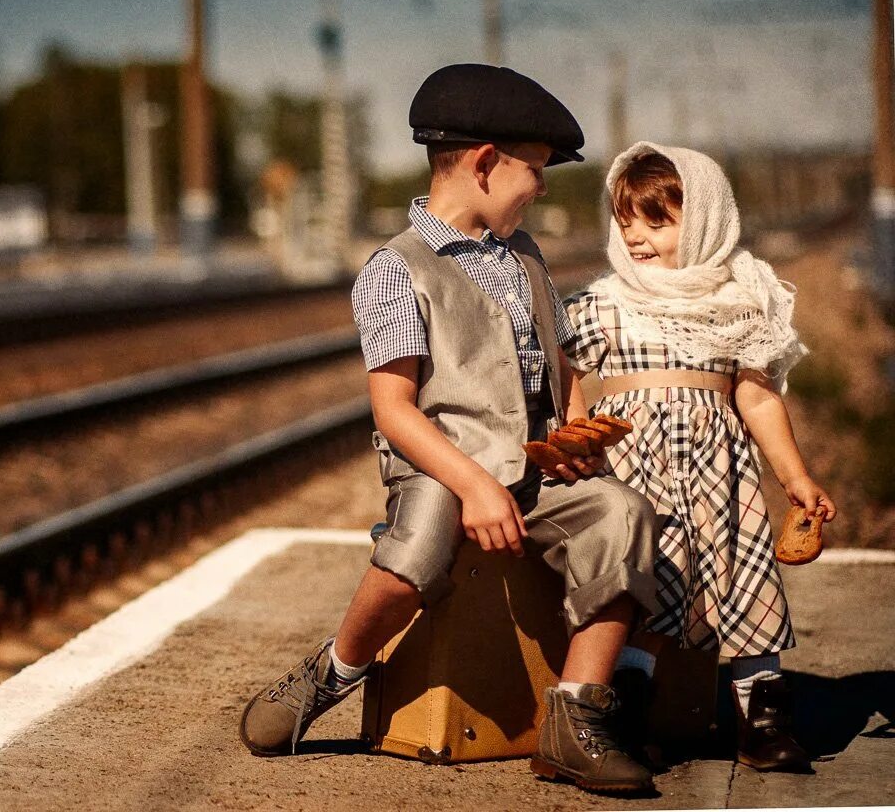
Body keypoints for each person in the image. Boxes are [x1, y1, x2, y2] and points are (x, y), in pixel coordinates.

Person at [238, 64, 662, 796]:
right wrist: (472, 483)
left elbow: (562, 370)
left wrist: (575, 435)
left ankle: (575, 717)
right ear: (486, 164)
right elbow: (394, 410)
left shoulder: (527, 258)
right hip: (440, 467)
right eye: (537, 169)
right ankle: (336, 670)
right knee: (424, 532)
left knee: (623, 514)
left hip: (527, 472)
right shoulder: (396, 270)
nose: (543, 186)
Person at [562, 142, 837, 773]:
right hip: (636, 464)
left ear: (708, 216)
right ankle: (628, 712)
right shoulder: (606, 300)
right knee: (649, 583)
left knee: (746, 577)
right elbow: (568, 372)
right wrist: (578, 434)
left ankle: (761, 718)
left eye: (657, 222)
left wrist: (794, 478)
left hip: (724, 468)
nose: (636, 237)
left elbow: (758, 398)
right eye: (626, 220)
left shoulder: (741, 298)